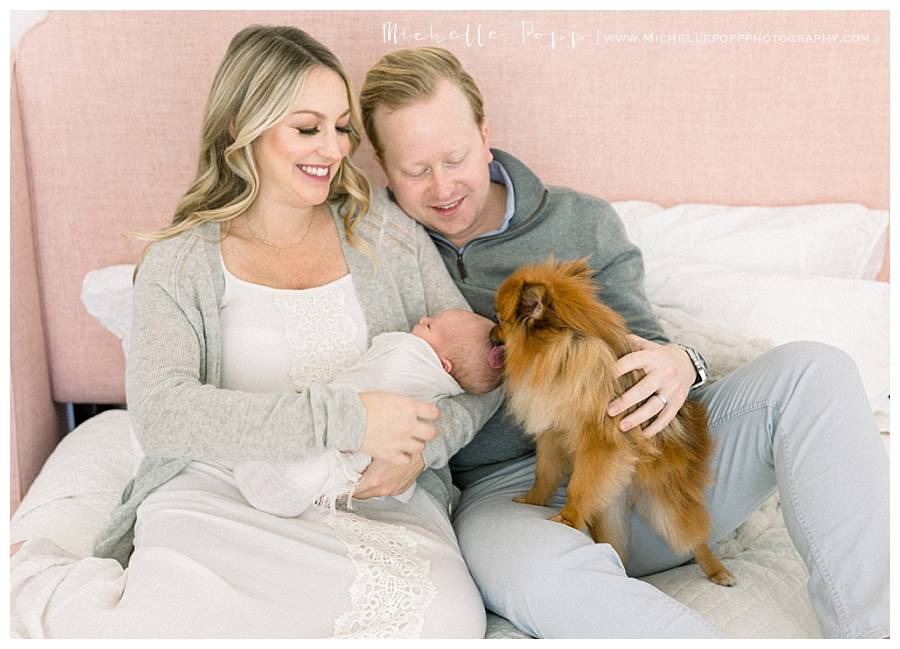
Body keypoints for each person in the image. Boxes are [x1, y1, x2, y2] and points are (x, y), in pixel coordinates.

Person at [356, 46, 889, 639]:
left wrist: (683, 361)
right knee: (539, 575)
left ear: (485, 136)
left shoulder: (580, 222)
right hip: (511, 495)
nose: (442, 186)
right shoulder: (376, 244)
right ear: (381, 165)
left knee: (815, 370)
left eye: (454, 157)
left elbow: (650, 346)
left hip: (642, 466)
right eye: (414, 170)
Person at [11, 27, 502, 639]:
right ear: (245, 126)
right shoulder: (181, 259)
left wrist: (418, 450)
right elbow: (161, 414)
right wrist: (346, 418)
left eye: (342, 126)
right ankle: (49, 586)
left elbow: (486, 370)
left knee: (440, 627)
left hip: (372, 505)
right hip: (220, 495)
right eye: (307, 127)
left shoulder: (385, 232)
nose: (334, 146)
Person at [233, 308, 502, 517]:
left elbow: (496, 387)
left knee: (331, 455)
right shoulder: (437, 366)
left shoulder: (411, 358)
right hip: (338, 416)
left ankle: (288, 482)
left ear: (443, 366)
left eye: (429, 325)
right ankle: (291, 477)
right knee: (323, 447)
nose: (422, 317)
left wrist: (422, 450)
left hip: (376, 448)